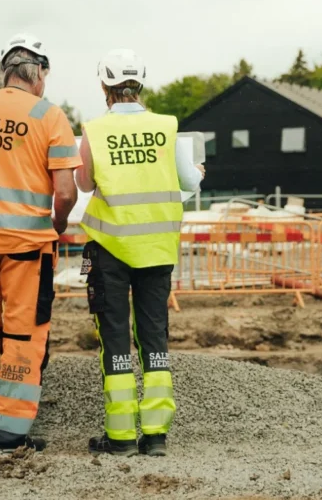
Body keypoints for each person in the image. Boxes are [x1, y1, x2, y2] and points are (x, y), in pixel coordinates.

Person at [0, 32, 81, 452]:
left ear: (4, 71)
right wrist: (56, 225)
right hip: (26, 246)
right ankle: (9, 431)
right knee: (23, 334)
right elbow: (66, 192)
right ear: (37, 73)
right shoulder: (48, 115)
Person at [75, 48, 204, 457]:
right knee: (154, 337)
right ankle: (156, 436)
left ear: (104, 87)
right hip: (156, 249)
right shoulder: (166, 127)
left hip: (110, 247)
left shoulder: (95, 131)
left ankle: (120, 438)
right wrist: (197, 174)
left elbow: (82, 184)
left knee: (114, 339)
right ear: (141, 84)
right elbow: (189, 181)